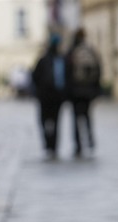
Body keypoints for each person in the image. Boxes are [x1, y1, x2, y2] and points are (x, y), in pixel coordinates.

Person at [66, 28, 102, 158]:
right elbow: (98, 70)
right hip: (88, 92)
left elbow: (67, 73)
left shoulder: (72, 52)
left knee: (76, 119)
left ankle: (78, 145)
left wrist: (67, 92)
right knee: (87, 117)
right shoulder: (90, 51)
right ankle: (90, 141)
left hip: (76, 92)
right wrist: (96, 90)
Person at [31, 33, 67, 160]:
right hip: (56, 96)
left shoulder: (43, 59)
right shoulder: (61, 59)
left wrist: (38, 91)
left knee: (44, 121)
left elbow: (34, 76)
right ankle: (53, 145)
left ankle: (48, 144)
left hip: (45, 96)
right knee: (56, 122)